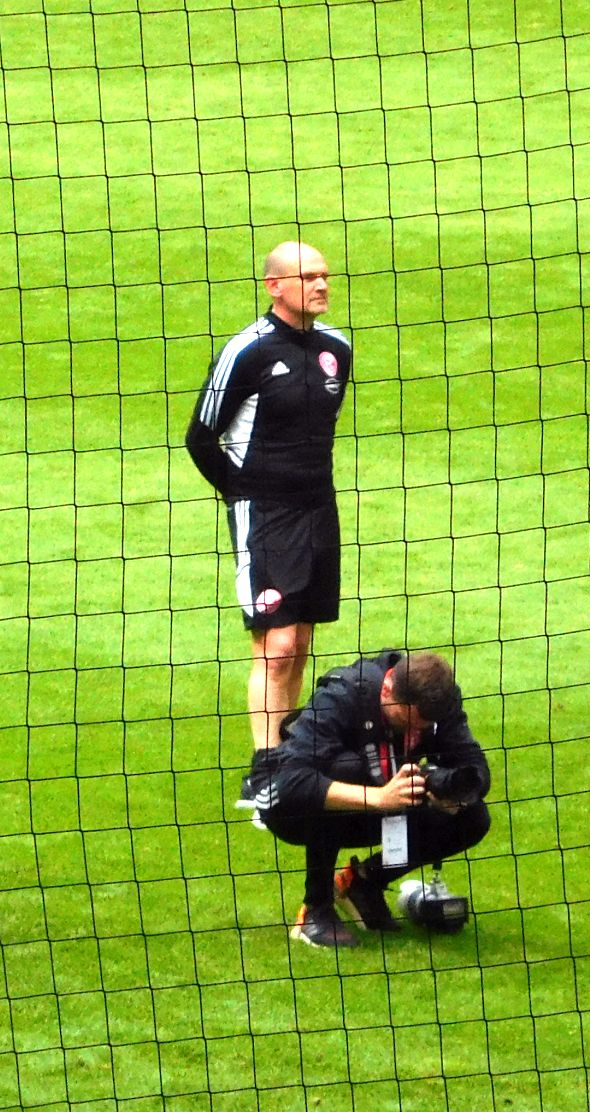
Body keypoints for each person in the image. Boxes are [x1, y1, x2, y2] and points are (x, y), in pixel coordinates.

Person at [186, 242, 353, 802]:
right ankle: (263, 769)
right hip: (264, 514)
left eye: (326, 276)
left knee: (300, 639)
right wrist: (241, 494)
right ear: (275, 286)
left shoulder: (338, 350)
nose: (323, 285)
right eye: (309, 277)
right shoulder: (246, 351)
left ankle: (288, 759)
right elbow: (201, 435)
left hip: (318, 511)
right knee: (275, 644)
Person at [252, 651, 491, 948]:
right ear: (388, 688)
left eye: (422, 728)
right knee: (345, 769)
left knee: (473, 816)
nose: (415, 733)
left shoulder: (441, 702)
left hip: (381, 805)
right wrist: (378, 797)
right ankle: (315, 909)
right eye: (407, 722)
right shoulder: (342, 694)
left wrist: (452, 796)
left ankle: (364, 883)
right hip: (288, 808)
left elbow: (477, 769)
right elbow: (289, 781)